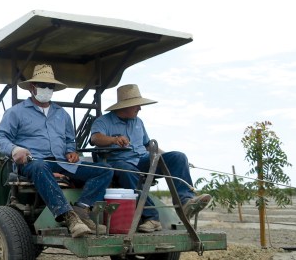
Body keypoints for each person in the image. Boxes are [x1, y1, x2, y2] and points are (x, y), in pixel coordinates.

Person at [0, 64, 113, 237]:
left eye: (51, 86)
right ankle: (68, 216)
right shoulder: (16, 112)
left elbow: (69, 140)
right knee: (40, 166)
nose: (47, 89)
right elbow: (0, 137)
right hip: (32, 163)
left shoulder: (61, 114)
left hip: (61, 162)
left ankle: (82, 209)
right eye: (43, 85)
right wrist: (15, 149)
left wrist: (71, 151)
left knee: (105, 171)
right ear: (32, 87)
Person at [89, 84, 211, 232]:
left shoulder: (138, 122)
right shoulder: (103, 122)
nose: (140, 108)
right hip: (119, 162)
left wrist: (168, 158)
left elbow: (148, 145)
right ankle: (152, 217)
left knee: (178, 157)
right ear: (125, 106)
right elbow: (96, 139)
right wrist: (113, 140)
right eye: (137, 106)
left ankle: (186, 202)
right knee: (127, 171)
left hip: (143, 160)